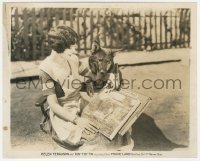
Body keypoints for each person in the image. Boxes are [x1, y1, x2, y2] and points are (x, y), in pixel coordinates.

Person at [39, 25, 134, 151]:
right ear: (60, 46)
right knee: (94, 138)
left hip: (81, 104)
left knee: (118, 127)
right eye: (72, 45)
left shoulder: (72, 59)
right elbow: (54, 105)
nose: (76, 49)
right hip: (64, 113)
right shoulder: (46, 69)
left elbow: (92, 78)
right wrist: (77, 120)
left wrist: (110, 75)